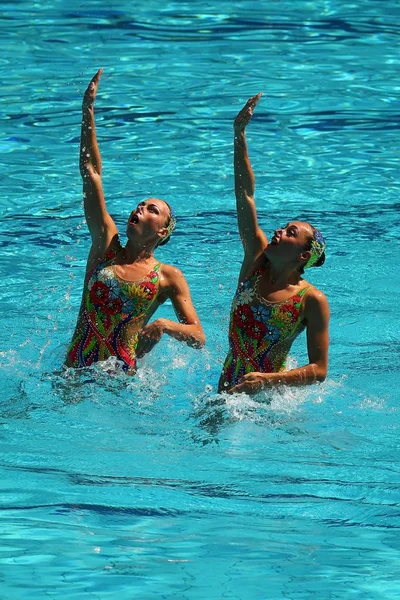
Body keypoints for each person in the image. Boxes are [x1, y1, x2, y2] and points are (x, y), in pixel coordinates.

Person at [66, 70, 205, 374]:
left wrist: (164, 325)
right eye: (140, 205)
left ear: (163, 230)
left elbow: (198, 337)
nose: (140, 208)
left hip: (122, 385)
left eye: (152, 210)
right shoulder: (106, 246)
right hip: (73, 375)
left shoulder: (167, 277)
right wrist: (87, 109)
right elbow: (91, 173)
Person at [218, 93, 330, 395]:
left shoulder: (311, 300)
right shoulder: (256, 262)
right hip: (224, 391)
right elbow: (246, 196)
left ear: (303, 255)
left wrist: (269, 381)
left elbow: (319, 370)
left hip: (270, 401)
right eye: (282, 227)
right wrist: (239, 134)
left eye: (290, 232)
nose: (279, 231)